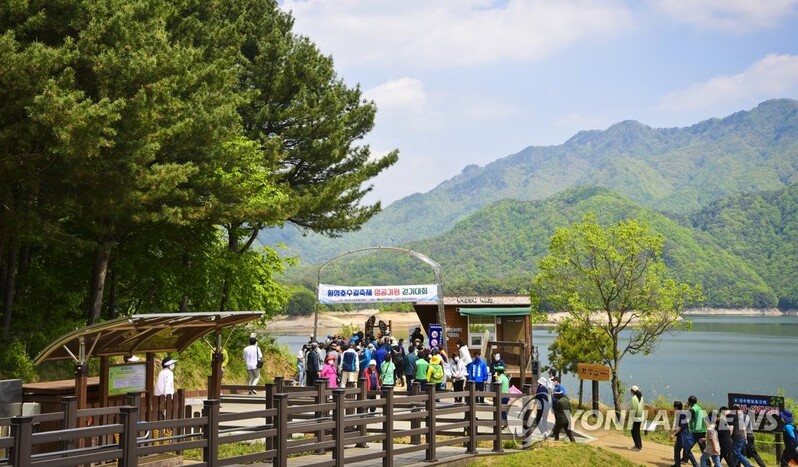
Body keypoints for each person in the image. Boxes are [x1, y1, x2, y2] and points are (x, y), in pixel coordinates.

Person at [673, 401, 698, 467]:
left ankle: (696, 465)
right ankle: (677, 464)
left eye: (674, 407)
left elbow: (680, 426)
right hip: (681, 436)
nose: (673, 408)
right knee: (677, 449)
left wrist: (673, 434)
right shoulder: (681, 413)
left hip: (683, 436)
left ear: (676, 407)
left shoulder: (680, 414)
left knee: (687, 451)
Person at [629, 385, 645, 451]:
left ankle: (638, 446)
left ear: (633, 391)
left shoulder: (633, 398)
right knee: (637, 431)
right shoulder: (641, 398)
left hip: (635, 418)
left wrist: (630, 417)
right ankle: (639, 445)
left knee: (634, 431)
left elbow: (633, 408)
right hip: (640, 417)